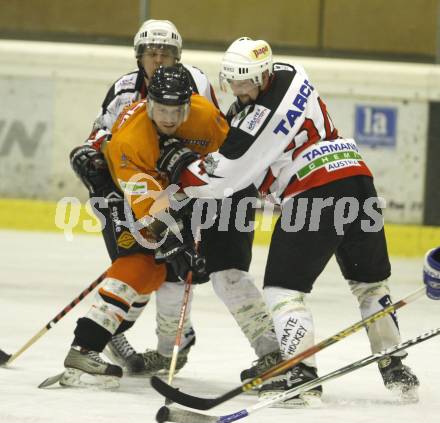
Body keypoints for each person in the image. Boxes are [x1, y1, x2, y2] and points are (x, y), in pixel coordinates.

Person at [156, 37, 420, 406]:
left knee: (283, 290)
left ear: (263, 78)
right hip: (358, 180)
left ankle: (301, 375)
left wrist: (183, 172)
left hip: (316, 191)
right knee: (371, 283)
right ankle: (394, 363)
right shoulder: (292, 72)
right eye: (233, 82)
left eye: (245, 83)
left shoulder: (260, 119)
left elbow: (226, 175)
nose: (238, 90)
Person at [70, 19, 280, 379]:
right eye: (161, 110)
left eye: (177, 110)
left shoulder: (205, 116)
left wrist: (196, 172)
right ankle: (170, 352)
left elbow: (237, 162)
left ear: (189, 102)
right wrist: (169, 234)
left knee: (227, 274)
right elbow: (148, 207)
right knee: (166, 267)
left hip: (226, 191)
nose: (169, 119)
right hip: (172, 195)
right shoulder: (128, 142)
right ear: (147, 100)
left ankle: (273, 353)